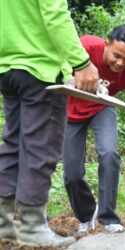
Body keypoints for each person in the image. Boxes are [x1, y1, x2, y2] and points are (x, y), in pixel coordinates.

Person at [0, 0, 100, 247]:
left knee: (13, 145)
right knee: (40, 147)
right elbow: (55, 14)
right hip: (39, 67)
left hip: (7, 66)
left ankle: (3, 224)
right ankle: (32, 227)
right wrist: (81, 63)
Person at [63, 24, 125, 235]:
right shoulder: (86, 46)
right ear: (107, 44)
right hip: (70, 110)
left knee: (109, 153)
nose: (120, 63)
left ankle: (108, 217)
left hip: (103, 106)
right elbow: (56, 63)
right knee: (72, 174)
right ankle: (86, 215)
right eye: (116, 55)